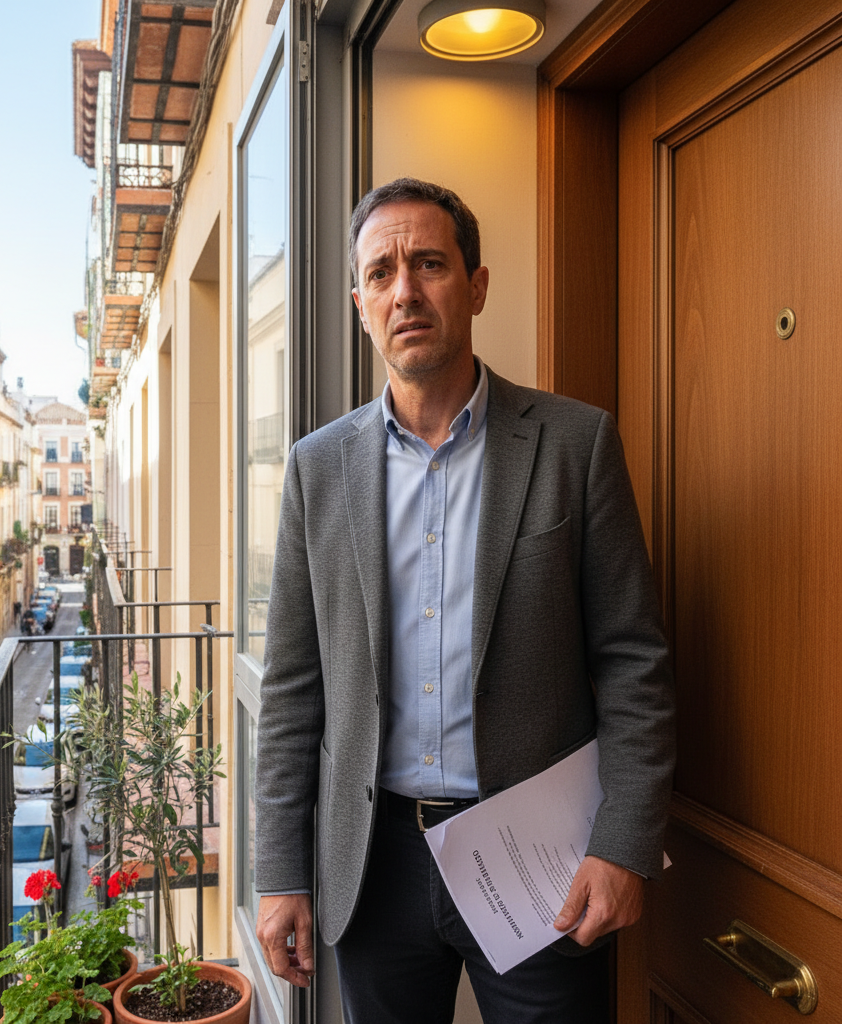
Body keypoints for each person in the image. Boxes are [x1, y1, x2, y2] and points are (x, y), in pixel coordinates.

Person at [253, 178, 676, 1023]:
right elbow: (292, 688)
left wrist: (624, 841)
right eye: (380, 273)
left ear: (476, 285)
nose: (404, 289)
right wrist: (280, 871)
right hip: (372, 866)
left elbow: (634, 662)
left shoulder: (574, 443)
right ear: (360, 303)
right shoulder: (316, 469)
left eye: (429, 263)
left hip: (537, 860)